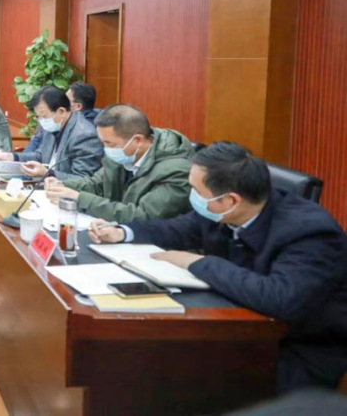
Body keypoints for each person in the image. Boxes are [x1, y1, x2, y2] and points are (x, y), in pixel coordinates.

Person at [90, 142, 347, 393]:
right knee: (141, 361)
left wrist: (198, 263)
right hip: (233, 324)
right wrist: (123, 232)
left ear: (231, 200)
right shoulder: (222, 210)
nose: (191, 197)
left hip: (294, 349)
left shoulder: (310, 233)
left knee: (172, 379)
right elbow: (179, 229)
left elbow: (280, 297)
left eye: (195, 190)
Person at [44, 103, 194, 222]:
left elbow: (142, 216)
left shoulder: (176, 171)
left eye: (109, 143)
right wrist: (62, 185)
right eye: (103, 142)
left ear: (137, 140)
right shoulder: (123, 153)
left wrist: (79, 198)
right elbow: (97, 184)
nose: (106, 149)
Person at [1, 85, 102, 179]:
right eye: (38, 116)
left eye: (44, 116)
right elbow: (41, 155)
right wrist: (13, 157)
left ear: (61, 111)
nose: (41, 121)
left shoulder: (84, 135)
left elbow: (83, 179)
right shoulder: (54, 125)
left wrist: (48, 173)